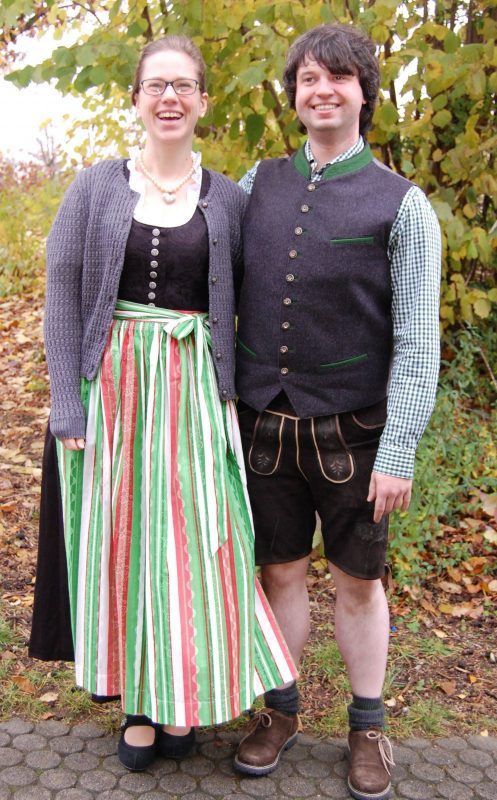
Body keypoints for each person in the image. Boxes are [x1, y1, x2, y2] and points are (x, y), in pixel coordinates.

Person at [41, 35, 296, 772]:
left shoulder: (230, 200)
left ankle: (183, 688)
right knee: (124, 541)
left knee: (194, 540)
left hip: (193, 391)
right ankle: (139, 704)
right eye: (156, 85)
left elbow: (263, 299)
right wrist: (66, 403)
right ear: (136, 100)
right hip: (112, 389)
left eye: (183, 85)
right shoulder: (96, 186)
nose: (169, 98)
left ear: (203, 100)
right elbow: (61, 290)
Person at [233, 23, 441, 800]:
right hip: (263, 424)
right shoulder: (255, 185)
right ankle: (280, 711)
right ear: (293, 95)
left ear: (363, 93)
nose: (321, 90)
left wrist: (399, 449)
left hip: (355, 433)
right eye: (308, 79)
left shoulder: (403, 205)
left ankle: (366, 726)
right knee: (278, 572)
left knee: (357, 582)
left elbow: (417, 341)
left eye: (338, 77)